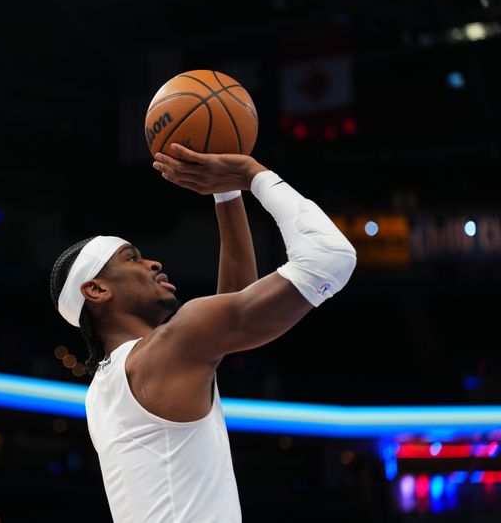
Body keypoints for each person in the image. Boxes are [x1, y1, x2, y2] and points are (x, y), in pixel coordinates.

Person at [48, 143, 357, 523]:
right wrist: (251, 174)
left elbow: (233, 306)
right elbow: (331, 257)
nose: (153, 262)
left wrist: (225, 192)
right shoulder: (166, 350)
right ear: (96, 290)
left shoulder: (106, 387)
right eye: (131, 258)